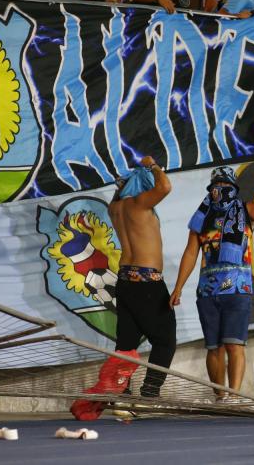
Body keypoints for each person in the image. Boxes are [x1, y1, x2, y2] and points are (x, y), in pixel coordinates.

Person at [171, 164, 254, 399]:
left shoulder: (246, 209)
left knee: (234, 345)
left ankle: (235, 395)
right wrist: (178, 287)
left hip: (238, 288)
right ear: (211, 188)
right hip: (208, 291)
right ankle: (221, 397)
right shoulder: (201, 217)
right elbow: (190, 253)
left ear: (233, 187)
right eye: (216, 186)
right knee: (213, 347)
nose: (221, 189)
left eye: (225, 185)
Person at [107, 156, 175, 397]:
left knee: (126, 343)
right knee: (165, 340)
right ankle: (149, 392)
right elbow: (165, 186)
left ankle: (121, 393)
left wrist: (125, 184)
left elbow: (119, 193)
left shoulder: (114, 208)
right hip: (147, 282)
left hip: (125, 280)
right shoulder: (140, 204)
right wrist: (153, 166)